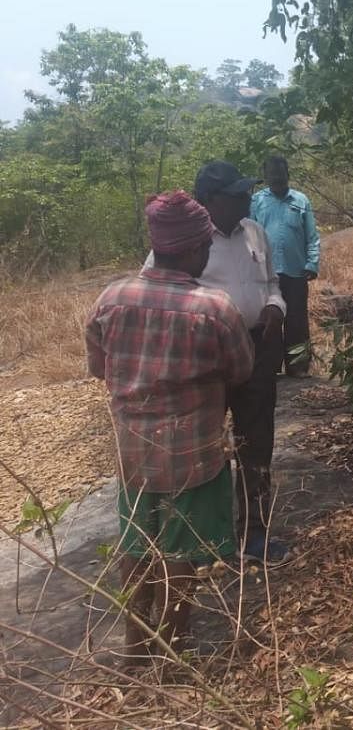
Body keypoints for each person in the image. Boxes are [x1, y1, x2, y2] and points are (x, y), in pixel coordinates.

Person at [88, 192, 254, 661]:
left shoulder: (110, 299)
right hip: (194, 455)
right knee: (182, 551)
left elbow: (100, 367)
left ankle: (135, 649)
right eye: (204, 247)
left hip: (134, 455)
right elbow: (241, 369)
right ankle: (174, 649)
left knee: (136, 545)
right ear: (190, 249)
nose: (206, 255)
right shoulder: (215, 308)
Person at [149, 161, 288, 563]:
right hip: (204, 358)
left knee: (257, 441)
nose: (247, 198)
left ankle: (255, 535)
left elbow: (273, 284)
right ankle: (207, 539)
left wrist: (276, 306)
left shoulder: (255, 233)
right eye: (236, 194)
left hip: (257, 347)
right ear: (209, 201)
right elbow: (159, 294)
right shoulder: (182, 243)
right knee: (203, 446)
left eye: (246, 191)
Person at [251, 155, 321, 377]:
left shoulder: (301, 200)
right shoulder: (256, 202)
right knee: (269, 321)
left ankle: (298, 367)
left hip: (296, 271)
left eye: (280, 174)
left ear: (287, 174)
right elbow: (248, 234)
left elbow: (312, 236)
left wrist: (312, 262)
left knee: (297, 320)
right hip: (265, 273)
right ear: (266, 176)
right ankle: (270, 368)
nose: (277, 178)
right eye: (272, 174)